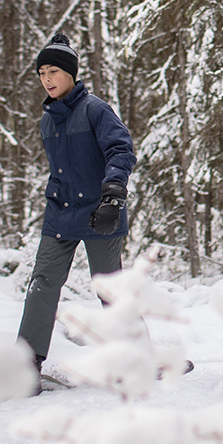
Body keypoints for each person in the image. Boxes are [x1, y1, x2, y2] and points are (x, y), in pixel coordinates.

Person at [16, 33, 136, 381]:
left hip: (101, 211)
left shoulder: (95, 110)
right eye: (41, 73)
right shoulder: (47, 120)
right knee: (43, 282)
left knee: (109, 287)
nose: (47, 79)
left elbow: (121, 150)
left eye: (53, 71)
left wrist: (113, 193)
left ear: (71, 73)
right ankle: (26, 363)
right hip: (60, 211)